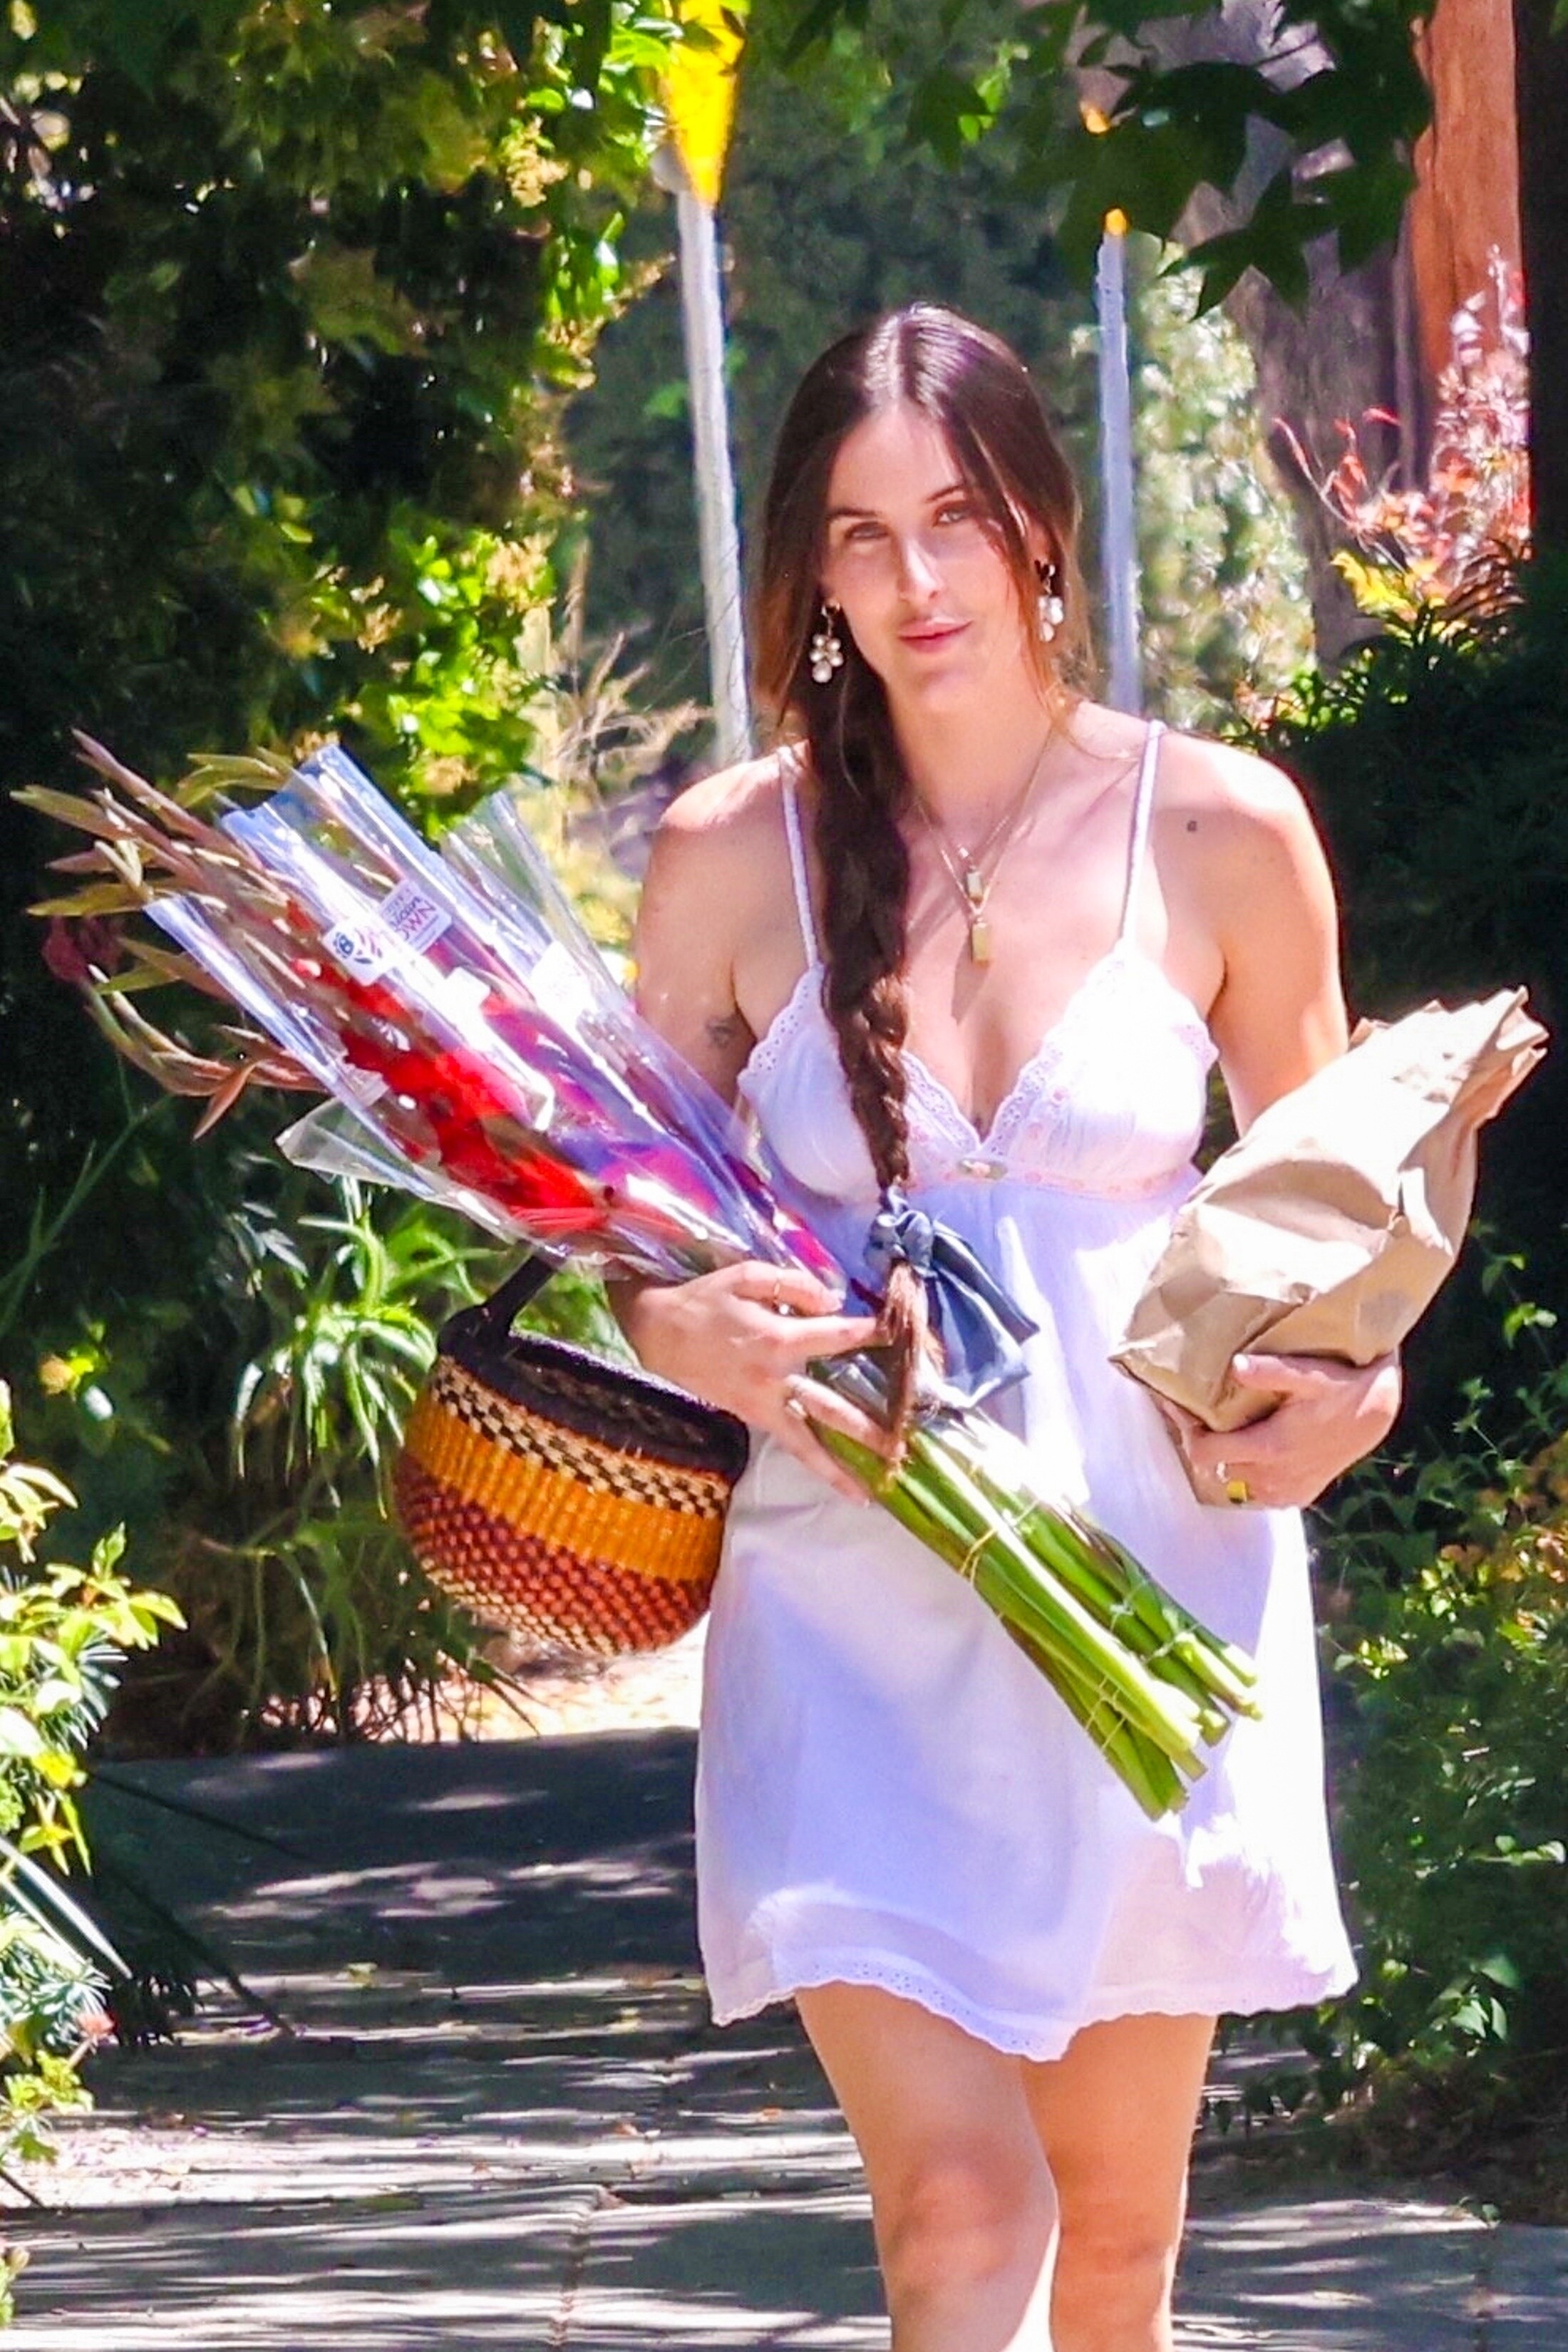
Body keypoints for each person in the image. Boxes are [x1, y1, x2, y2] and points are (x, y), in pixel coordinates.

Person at [617, 304, 1399, 2352]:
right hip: (845, 1600)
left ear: (1041, 519)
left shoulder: (1221, 831)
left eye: (955, 517)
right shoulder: (728, 856)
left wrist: (1353, 1392)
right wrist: (684, 1329)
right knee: (960, 2216)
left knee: (1118, 2249)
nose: (917, 581)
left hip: (1148, 1600)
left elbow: (1336, 1238)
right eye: (861, 536)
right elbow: (625, 1233)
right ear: (810, 570)